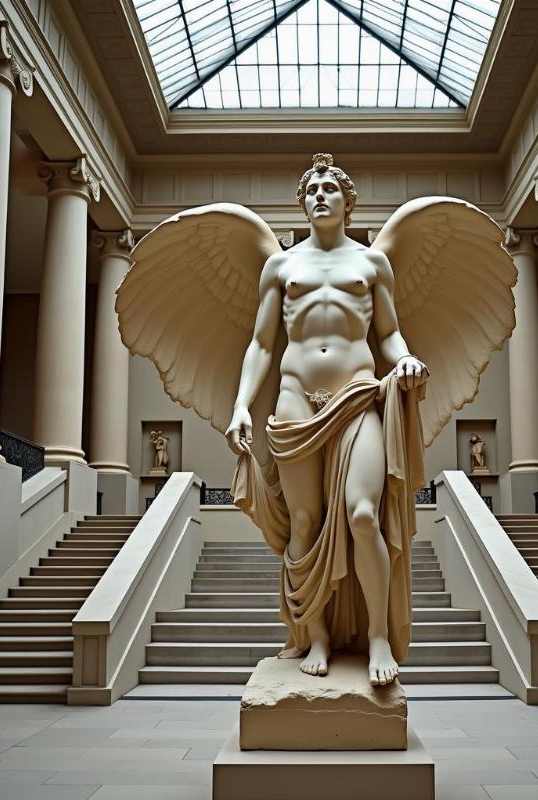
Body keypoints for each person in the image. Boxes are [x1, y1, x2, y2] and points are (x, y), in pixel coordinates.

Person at [225, 154, 428, 686]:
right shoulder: (282, 266)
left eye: (329, 188)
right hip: (295, 400)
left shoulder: (371, 264)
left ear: (347, 201)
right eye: (311, 188)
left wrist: (403, 357)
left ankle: (379, 636)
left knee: (364, 515)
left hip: (358, 396)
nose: (319, 194)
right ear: (303, 201)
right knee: (305, 524)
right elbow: (262, 343)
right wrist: (242, 403)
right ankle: (314, 637)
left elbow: (387, 334)